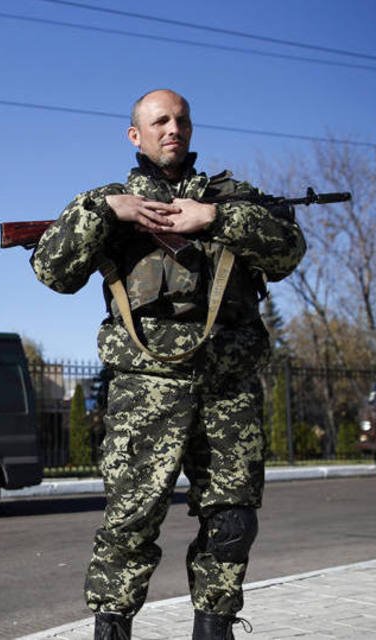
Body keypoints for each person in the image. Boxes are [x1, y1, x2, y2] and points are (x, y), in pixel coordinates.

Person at [31, 89, 306, 640]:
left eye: (181, 120)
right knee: (130, 522)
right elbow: (52, 270)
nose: (172, 129)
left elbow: (288, 251)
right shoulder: (106, 202)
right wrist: (108, 212)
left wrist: (217, 219)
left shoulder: (235, 199)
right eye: (159, 121)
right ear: (136, 135)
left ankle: (215, 627)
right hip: (145, 389)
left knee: (231, 521)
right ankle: (112, 629)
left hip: (227, 388)